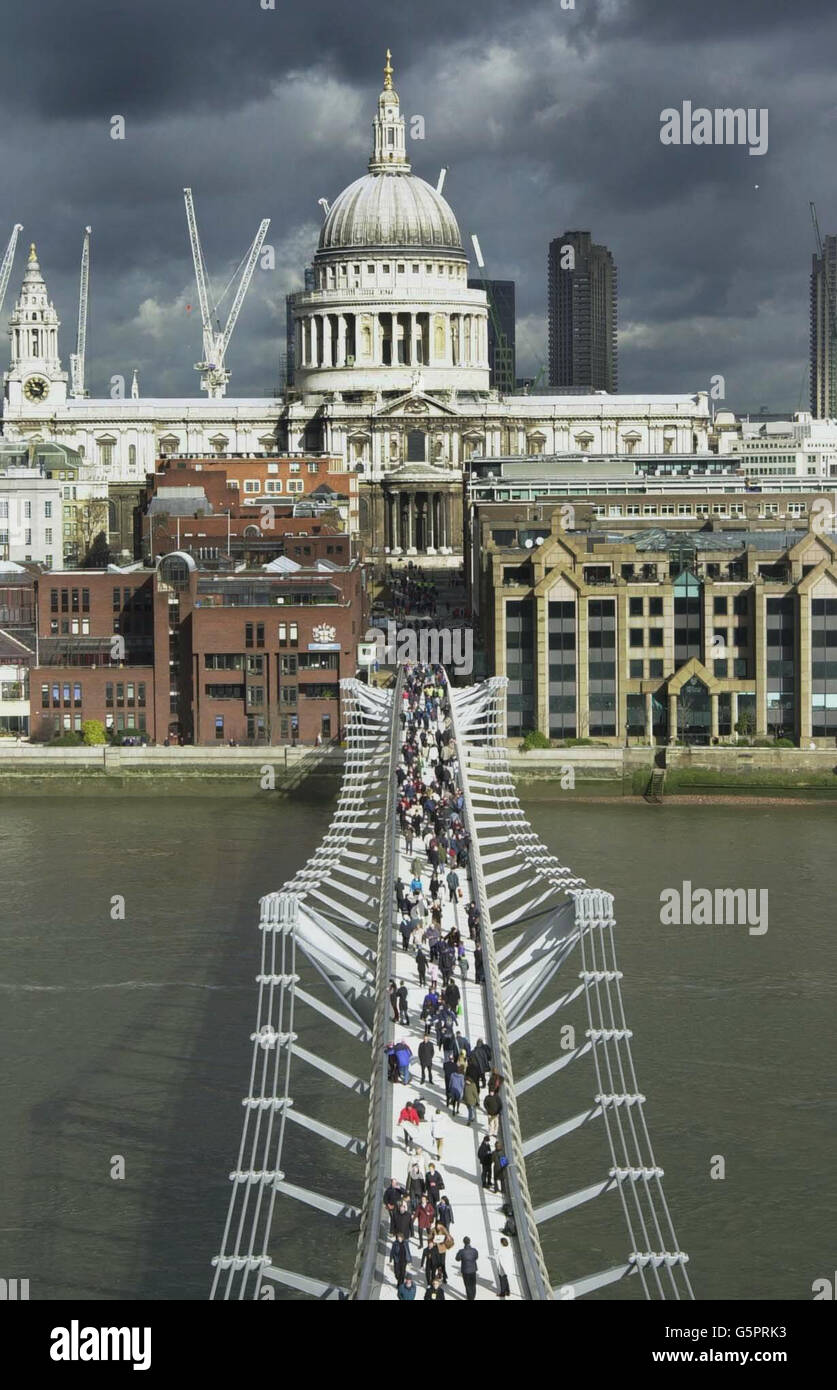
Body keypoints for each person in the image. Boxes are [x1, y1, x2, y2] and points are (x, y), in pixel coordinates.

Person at [455, 1236, 479, 1301]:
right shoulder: (474, 1250)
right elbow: (476, 1257)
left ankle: (470, 1297)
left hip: (465, 1270)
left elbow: (457, 1259)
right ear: (469, 1242)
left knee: (467, 1285)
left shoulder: (461, 1251)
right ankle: (473, 1296)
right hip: (473, 1269)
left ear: (464, 1242)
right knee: (473, 1284)